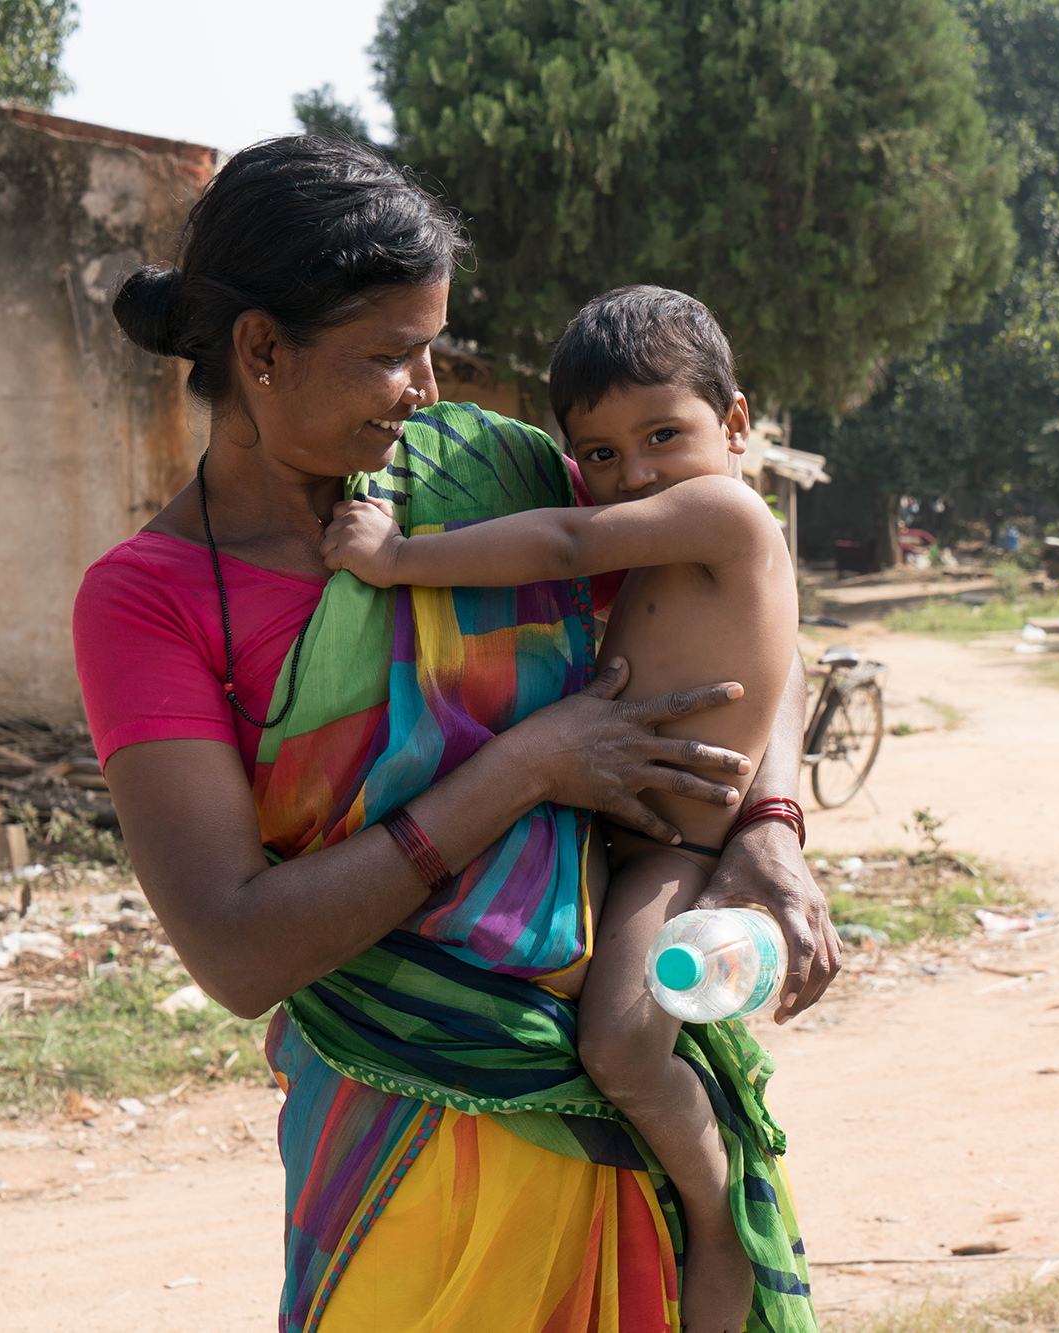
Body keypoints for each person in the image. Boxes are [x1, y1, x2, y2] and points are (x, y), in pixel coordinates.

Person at [73, 138, 833, 1333]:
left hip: (616, 1121)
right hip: (394, 1132)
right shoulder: (152, 601)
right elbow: (234, 952)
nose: (427, 388)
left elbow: (736, 615)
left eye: (431, 346)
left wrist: (772, 820)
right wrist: (527, 766)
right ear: (261, 348)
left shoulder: (492, 477)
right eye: (390, 355)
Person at [320, 285, 796, 1333]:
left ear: (736, 423)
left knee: (622, 1047)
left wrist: (397, 560)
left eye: (661, 435)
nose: (632, 475)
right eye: (600, 453)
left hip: (672, 851)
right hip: (599, 830)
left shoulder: (725, 513)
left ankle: (716, 1205)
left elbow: (568, 545)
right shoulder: (672, 535)